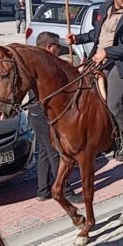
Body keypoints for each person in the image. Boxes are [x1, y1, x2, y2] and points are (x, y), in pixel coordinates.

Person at [66, 0, 123, 162]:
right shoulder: (104, 8)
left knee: (113, 103)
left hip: (121, 65)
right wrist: (77, 39)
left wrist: (107, 52)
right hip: (96, 60)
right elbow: (97, 33)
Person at [31, 32, 82, 203]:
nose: (59, 51)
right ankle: (65, 191)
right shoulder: (44, 64)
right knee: (55, 152)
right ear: (49, 47)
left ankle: (42, 190)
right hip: (43, 113)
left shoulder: (34, 61)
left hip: (34, 113)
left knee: (44, 152)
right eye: (57, 48)